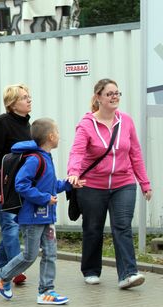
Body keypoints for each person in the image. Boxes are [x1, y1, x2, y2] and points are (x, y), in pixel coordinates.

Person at [67, 78, 152, 289]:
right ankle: (91, 270)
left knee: (122, 227)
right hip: (93, 185)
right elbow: (77, 152)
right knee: (93, 228)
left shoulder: (126, 122)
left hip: (123, 182)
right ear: (98, 98)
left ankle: (128, 274)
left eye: (117, 93)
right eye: (109, 94)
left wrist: (144, 183)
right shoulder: (87, 124)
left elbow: (135, 153)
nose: (114, 97)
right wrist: (73, 173)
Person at [0, 118, 78, 305]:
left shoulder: (46, 157)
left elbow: (50, 185)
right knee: (29, 255)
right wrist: (45, 198)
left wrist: (69, 184)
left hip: (47, 216)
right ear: (51, 136)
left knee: (50, 253)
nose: (59, 137)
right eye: (58, 132)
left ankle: (46, 291)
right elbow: (21, 185)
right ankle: (2, 275)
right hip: (31, 217)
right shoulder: (34, 159)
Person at [0, 84, 33, 286]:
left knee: (11, 225)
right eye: (24, 97)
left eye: (29, 96)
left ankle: (2, 266)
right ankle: (14, 269)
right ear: (12, 104)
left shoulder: (27, 125)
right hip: (2, 186)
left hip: (20, 186)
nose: (29, 100)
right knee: (10, 225)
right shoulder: (1, 123)